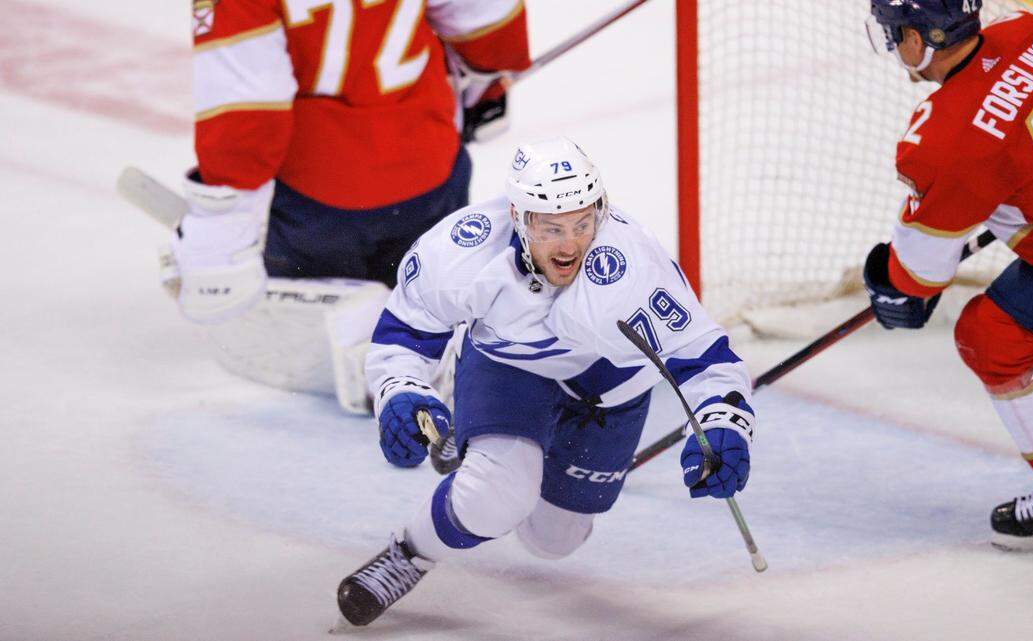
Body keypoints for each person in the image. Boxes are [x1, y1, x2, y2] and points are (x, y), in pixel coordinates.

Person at [333, 137, 757, 626]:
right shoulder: (461, 252)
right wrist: (402, 391)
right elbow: (406, 331)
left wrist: (723, 423)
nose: (571, 244)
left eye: (582, 223)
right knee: (496, 498)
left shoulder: (634, 267)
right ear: (519, 217)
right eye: (552, 228)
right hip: (512, 369)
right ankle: (411, 551)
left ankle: (490, 455)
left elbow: (702, 358)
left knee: (554, 540)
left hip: (611, 391)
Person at [862, 0, 1033, 551]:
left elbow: (918, 275)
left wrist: (887, 286)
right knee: (993, 334)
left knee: (991, 336)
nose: (894, 44)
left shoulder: (940, 140)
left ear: (919, 40)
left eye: (895, 33)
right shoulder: (1028, 28)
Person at [170, 0, 530, 411]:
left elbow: (245, 114)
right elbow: (487, 20)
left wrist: (221, 228)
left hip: (319, 204)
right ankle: (431, 312)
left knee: (292, 263)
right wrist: (488, 84)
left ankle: (361, 319)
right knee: (428, 266)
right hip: (430, 180)